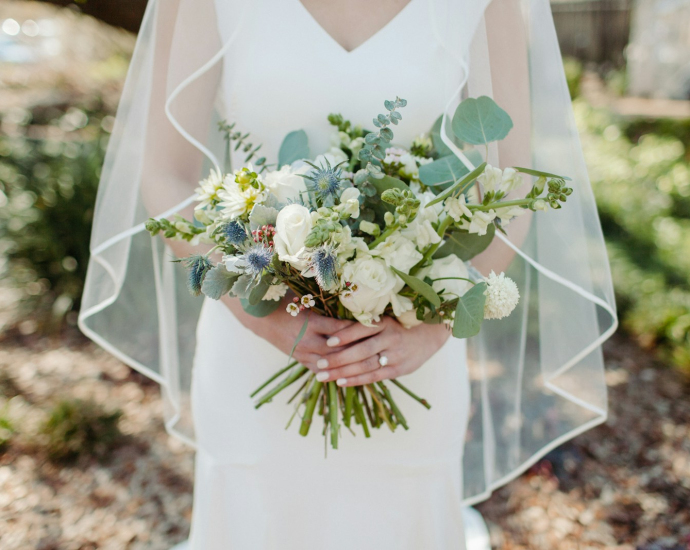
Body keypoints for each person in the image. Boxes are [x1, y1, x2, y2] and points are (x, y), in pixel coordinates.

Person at [79, 0, 617, 548]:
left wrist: (433, 326)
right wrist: (261, 314)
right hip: (251, 346)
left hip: (411, 354)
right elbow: (166, 177)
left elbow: (512, 191)